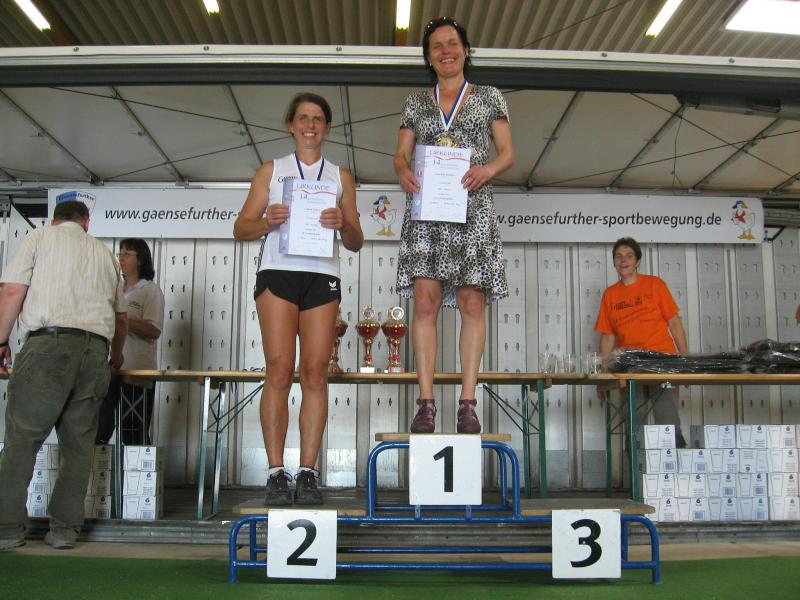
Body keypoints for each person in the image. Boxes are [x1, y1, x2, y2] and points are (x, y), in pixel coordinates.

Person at [233, 92, 363, 506]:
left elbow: (356, 240)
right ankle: (275, 473)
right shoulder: (272, 171)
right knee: (278, 370)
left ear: (327, 128)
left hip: (322, 276)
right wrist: (265, 221)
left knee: (315, 373)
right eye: (303, 118)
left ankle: (308, 472)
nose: (310, 125)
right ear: (291, 125)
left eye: (318, 119)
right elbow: (240, 227)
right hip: (278, 274)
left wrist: (344, 224)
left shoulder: (340, 177)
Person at [393, 16, 514, 433]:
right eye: (437, 46)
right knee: (425, 305)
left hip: (472, 210)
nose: (446, 51)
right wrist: (403, 172)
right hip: (427, 212)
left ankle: (467, 402)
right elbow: (400, 155)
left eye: (452, 43)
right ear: (428, 57)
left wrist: (487, 170)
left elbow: (507, 153)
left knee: (472, 305)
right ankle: (426, 403)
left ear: (465, 50)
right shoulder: (415, 102)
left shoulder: (490, 96)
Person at [0, 200, 126, 550]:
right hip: (95, 352)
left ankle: (7, 530)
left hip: (48, 345)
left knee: (23, 440)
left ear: (54, 220)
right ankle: (65, 531)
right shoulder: (106, 255)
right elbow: (121, 318)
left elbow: (12, 291)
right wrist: (115, 355)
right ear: (86, 223)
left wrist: (1, 341)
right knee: (78, 447)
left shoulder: (39, 238)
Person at [595, 237, 688, 448]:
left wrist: (685, 362)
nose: (623, 260)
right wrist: (603, 374)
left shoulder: (655, 285)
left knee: (668, 422)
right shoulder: (610, 295)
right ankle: (638, 469)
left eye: (629, 256)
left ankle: (674, 468)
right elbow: (608, 336)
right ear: (614, 262)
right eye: (618, 256)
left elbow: (674, 323)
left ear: (637, 261)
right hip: (630, 367)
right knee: (634, 426)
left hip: (663, 363)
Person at [95, 239, 164, 446]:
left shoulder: (150, 290)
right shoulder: (114, 289)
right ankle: (100, 468)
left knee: (133, 433)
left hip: (136, 372)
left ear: (140, 260)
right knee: (100, 429)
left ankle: (137, 468)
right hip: (109, 370)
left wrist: (122, 320)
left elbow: (154, 330)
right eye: (120, 253)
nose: (121, 258)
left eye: (127, 254)